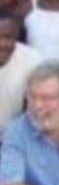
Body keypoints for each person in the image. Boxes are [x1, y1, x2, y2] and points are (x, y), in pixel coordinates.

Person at [0, 10, 43, 142]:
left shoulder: (33, 60)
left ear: (16, 36)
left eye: (8, 37)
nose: (2, 44)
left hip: (18, 138)